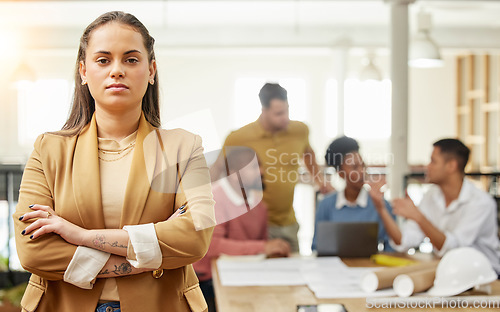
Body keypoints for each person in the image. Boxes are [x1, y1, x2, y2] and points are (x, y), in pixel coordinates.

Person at [13, 11, 215, 312]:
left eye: (131, 59)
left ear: (151, 70)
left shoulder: (185, 147)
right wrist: (147, 257)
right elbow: (34, 252)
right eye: (103, 60)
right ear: (83, 71)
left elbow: (195, 238)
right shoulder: (48, 149)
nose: (117, 70)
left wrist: (80, 236)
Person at [210, 83, 334, 253]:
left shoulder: (300, 131)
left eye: (287, 111)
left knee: (295, 272)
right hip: (259, 224)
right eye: (278, 114)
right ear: (264, 110)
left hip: (289, 221)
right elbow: (217, 170)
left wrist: (320, 181)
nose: (285, 118)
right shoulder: (238, 138)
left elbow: (308, 154)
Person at [379, 138, 500, 274]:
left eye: (433, 161)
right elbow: (405, 240)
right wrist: (381, 208)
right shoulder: (431, 195)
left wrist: (418, 217)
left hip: (486, 275)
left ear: (451, 166)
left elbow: (454, 249)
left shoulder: (480, 203)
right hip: (451, 271)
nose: (427, 166)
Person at [193, 147, 290, 312]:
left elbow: (261, 244)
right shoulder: (213, 198)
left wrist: (272, 249)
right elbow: (213, 246)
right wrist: (264, 248)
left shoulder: (258, 203)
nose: (261, 171)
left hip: (242, 272)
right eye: (254, 167)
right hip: (207, 280)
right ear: (233, 173)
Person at [311, 136, 396, 251]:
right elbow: (317, 245)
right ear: (341, 173)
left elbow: (391, 247)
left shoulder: (380, 205)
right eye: (355, 167)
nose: (362, 171)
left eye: (363, 165)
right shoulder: (326, 205)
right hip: (334, 266)